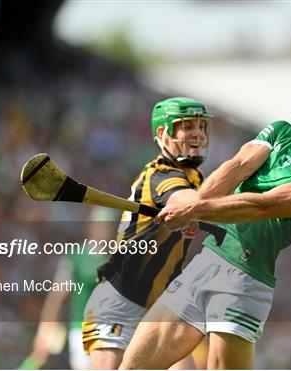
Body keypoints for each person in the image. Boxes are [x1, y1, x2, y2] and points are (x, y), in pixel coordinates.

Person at [119, 79, 291, 369]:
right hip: (206, 262)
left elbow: (265, 205)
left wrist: (197, 208)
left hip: (244, 281)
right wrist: (196, 206)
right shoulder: (281, 132)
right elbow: (237, 166)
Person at [82, 97, 213, 369]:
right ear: (163, 134)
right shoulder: (161, 175)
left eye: (201, 126)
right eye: (187, 126)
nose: (198, 133)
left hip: (161, 306)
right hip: (120, 299)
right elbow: (189, 204)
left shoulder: (196, 179)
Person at [31, 207, 118, 369]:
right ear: (91, 227)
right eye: (100, 225)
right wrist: (45, 328)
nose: (104, 230)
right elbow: (57, 295)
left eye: (108, 226)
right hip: (81, 330)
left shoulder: (119, 258)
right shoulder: (76, 257)